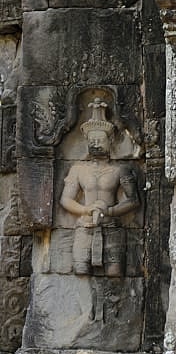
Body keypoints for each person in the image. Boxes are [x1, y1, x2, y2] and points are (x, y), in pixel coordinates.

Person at [59, 98, 139, 276]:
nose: (95, 143)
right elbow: (65, 199)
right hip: (84, 227)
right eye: (91, 140)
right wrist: (86, 209)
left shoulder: (120, 170)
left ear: (110, 141)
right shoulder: (78, 169)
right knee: (80, 271)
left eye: (100, 139)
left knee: (115, 274)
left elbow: (133, 200)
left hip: (112, 228)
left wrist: (109, 211)